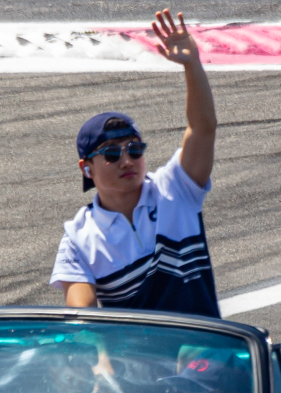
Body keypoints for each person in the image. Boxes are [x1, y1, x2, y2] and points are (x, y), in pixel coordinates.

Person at [49, 8, 220, 318]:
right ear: (86, 168)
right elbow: (84, 321)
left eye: (135, 149)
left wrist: (192, 65)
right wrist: (100, 361)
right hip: (139, 364)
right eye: (112, 154)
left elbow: (203, 128)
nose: (127, 160)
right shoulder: (78, 238)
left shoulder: (176, 189)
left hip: (203, 359)